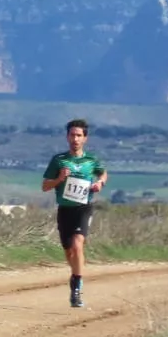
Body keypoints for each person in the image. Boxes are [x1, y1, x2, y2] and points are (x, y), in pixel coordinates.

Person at [41, 119, 108, 308]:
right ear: (67, 137)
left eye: (79, 135)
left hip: (83, 208)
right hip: (65, 209)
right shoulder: (59, 160)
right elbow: (45, 186)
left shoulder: (91, 160)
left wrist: (100, 183)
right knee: (69, 251)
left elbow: (103, 173)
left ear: (85, 138)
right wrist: (59, 179)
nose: (75, 139)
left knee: (78, 245)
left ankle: (76, 288)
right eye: (72, 135)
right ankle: (76, 274)